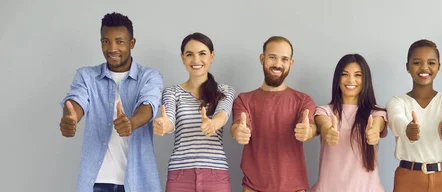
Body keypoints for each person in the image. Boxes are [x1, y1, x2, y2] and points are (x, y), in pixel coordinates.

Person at [59, 12, 162, 192]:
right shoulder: (86, 76)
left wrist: (132, 122)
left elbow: (149, 105)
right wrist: (71, 117)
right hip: (96, 182)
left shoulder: (149, 76)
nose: (112, 48)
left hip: (139, 182)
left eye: (119, 41)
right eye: (106, 41)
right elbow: (76, 101)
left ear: (132, 43)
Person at [230, 36, 317, 192]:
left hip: (295, 188)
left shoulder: (303, 100)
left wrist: (308, 131)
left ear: (291, 63)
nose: (277, 64)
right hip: (253, 187)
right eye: (272, 57)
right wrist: (238, 131)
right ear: (262, 58)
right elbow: (239, 124)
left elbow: (310, 126)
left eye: (284, 59)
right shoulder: (244, 99)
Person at [153, 32, 235, 192]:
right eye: (189, 54)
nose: (196, 60)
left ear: (212, 56)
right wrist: (163, 125)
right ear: (182, 57)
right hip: (179, 174)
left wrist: (212, 124)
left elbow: (222, 114)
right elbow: (169, 120)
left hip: (215, 174)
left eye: (202, 54)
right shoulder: (172, 92)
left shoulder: (225, 90)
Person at [387, 39, 442, 192]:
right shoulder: (397, 102)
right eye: (417, 63)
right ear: (407, 67)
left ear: (439, 67)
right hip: (408, 179)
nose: (424, 68)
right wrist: (407, 129)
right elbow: (397, 120)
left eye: (431, 63)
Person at [310, 53, 388, 192]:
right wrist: (328, 131)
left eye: (358, 75)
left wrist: (374, 132)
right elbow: (322, 123)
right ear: (337, 79)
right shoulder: (324, 111)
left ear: (366, 80)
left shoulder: (376, 112)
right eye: (345, 74)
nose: (351, 80)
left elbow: (378, 124)